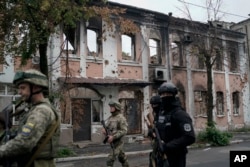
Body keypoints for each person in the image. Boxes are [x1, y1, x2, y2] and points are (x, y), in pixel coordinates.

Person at [0, 69, 61, 167]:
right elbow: (24, 134)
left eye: (23, 88)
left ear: (36, 87)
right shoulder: (34, 109)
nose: (19, 92)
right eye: (19, 88)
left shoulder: (41, 111)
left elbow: (24, 143)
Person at [156, 82, 195, 167]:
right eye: (162, 94)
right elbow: (159, 128)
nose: (164, 96)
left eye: (167, 94)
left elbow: (189, 137)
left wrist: (168, 146)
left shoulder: (180, 114)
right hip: (161, 155)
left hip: (176, 156)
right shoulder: (162, 113)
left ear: (173, 95)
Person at [102, 100, 129, 167]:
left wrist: (113, 137)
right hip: (113, 142)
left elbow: (124, 130)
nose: (110, 108)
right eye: (110, 107)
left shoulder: (121, 118)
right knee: (122, 158)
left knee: (110, 160)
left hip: (118, 142)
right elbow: (107, 127)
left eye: (112, 107)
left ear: (116, 108)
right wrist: (104, 130)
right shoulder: (111, 117)